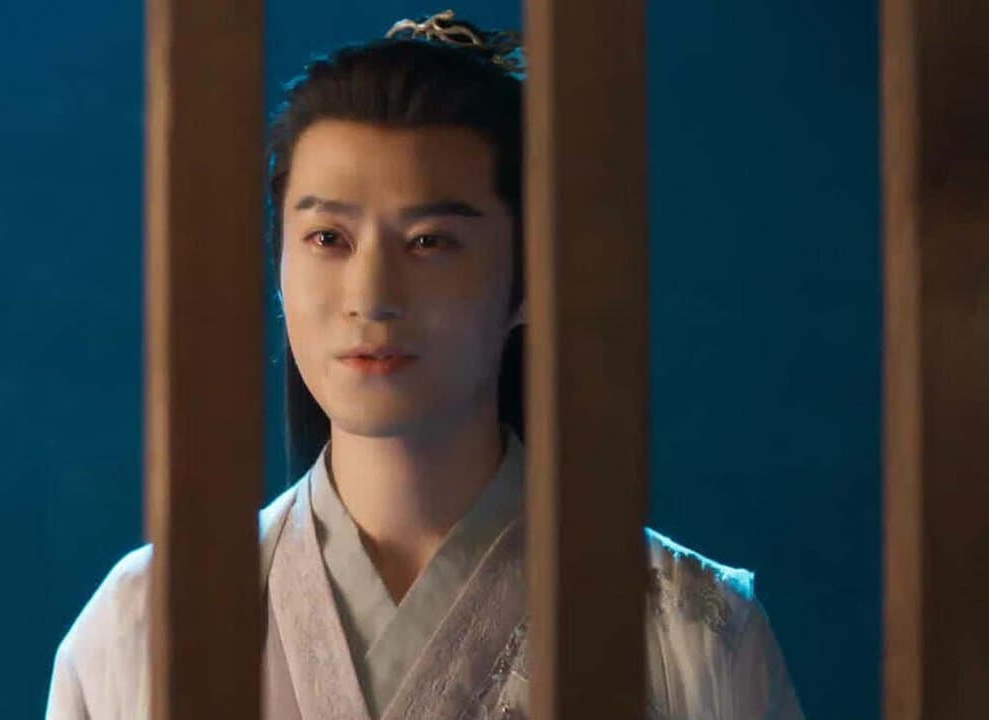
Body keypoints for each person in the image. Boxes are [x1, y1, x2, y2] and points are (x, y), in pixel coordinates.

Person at [47, 11, 803, 719]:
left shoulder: (688, 635)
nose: (371, 298)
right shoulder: (140, 628)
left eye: (430, 242)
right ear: (278, 264)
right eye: (328, 239)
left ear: (530, 277)